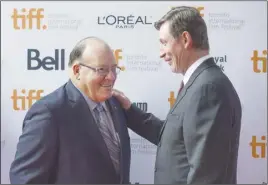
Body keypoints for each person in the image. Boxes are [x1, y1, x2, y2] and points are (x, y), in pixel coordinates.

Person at [112, 6, 242, 184]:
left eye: (164, 43)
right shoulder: (200, 83)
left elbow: (206, 176)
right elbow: (174, 139)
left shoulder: (208, 89)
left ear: (186, 39)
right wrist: (129, 110)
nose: (161, 53)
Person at [9, 37, 131, 184]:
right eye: (102, 69)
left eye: (113, 68)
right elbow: (25, 179)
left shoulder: (115, 103)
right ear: (77, 70)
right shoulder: (49, 113)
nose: (111, 77)